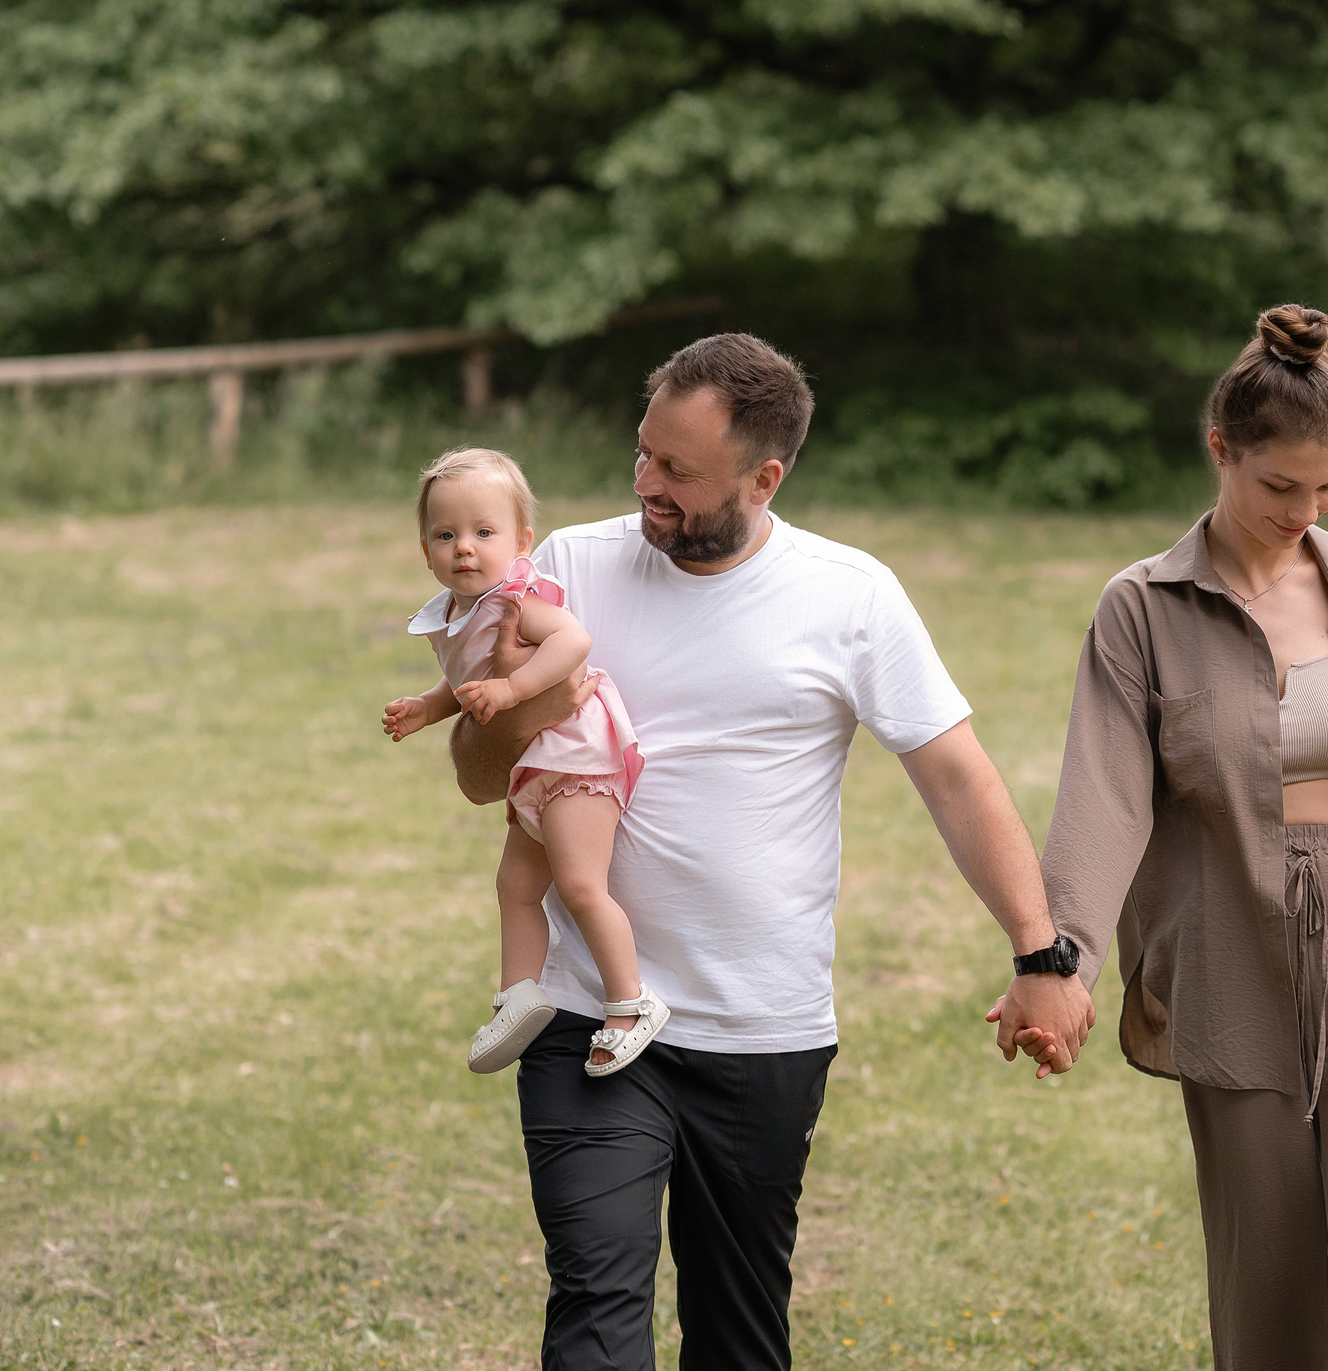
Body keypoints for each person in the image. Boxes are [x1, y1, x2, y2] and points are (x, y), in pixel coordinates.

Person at [447, 333, 1091, 1371]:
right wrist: (528, 711)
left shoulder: (849, 595)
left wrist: (1039, 955)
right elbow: (480, 776)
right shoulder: (564, 570)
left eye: (679, 472)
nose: (648, 485)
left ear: (764, 476)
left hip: (764, 1029)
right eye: (643, 456)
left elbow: (960, 780)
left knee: (740, 1337)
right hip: (591, 1016)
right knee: (595, 1313)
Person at [1022, 303, 1328, 1370]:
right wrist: (1057, 963)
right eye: (1278, 484)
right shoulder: (1141, 610)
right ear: (1220, 452)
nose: (1306, 509)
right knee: (1269, 1296)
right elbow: (1104, 798)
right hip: (1229, 945)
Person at [381, 447, 658, 1078]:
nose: (465, 549)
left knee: (580, 883)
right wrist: (430, 706)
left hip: (578, 753)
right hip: (539, 764)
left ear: (521, 540)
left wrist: (512, 690)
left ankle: (629, 1004)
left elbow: (571, 640)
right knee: (515, 886)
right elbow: (472, 679)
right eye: (446, 536)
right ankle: (520, 995)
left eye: (484, 533)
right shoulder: (456, 613)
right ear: (426, 551)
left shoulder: (515, 599)